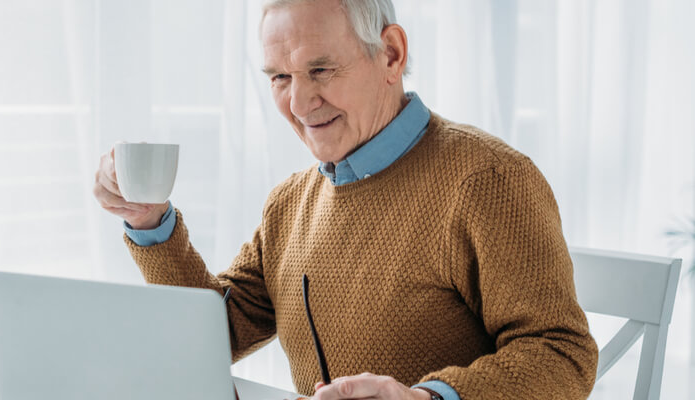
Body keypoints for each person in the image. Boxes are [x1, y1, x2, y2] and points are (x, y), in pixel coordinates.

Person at [93, 0, 598, 399]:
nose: (297, 103)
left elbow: (561, 353)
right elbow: (214, 334)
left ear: (392, 55)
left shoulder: (488, 179)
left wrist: (425, 398)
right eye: (280, 77)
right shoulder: (289, 203)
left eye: (321, 70)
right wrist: (149, 220)